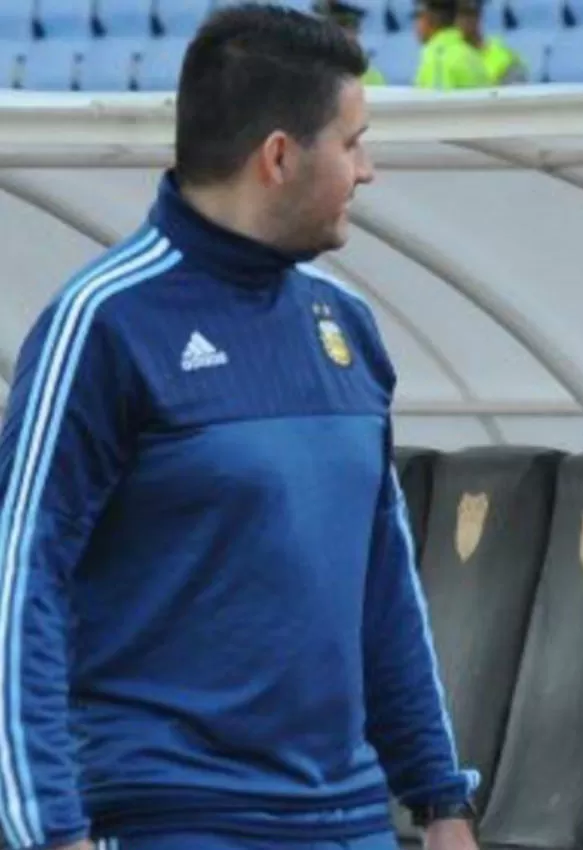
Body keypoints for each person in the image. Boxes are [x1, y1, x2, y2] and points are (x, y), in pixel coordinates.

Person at [0, 5, 479, 850]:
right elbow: (19, 584)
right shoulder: (102, 324)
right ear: (281, 157)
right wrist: (48, 830)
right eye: (353, 141)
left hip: (351, 819)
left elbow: (385, 588)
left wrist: (442, 801)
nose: (369, 170)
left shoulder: (348, 325)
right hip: (177, 819)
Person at [414, 0, 491, 89]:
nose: (416, 26)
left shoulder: (439, 57)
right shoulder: (469, 52)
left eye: (418, 18)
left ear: (430, 19)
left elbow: (439, 101)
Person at [316, 0, 388, 86]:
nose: (349, 33)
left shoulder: (371, 75)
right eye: (343, 24)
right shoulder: (310, 68)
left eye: (354, 25)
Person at [456, 0, 525, 84]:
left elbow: (517, 92)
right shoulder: (442, 54)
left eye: (469, 13)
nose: (464, 20)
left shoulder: (502, 59)